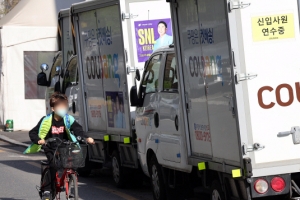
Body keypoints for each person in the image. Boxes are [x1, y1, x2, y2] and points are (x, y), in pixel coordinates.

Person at [23, 92, 95, 199]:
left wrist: (86, 137)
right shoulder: (46, 120)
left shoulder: (68, 119)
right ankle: (47, 189)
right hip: (50, 147)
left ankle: (69, 184)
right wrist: (39, 140)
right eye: (60, 107)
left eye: (64, 106)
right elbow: (32, 132)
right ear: (53, 108)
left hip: (65, 147)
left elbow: (77, 129)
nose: (63, 109)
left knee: (72, 164)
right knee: (53, 165)